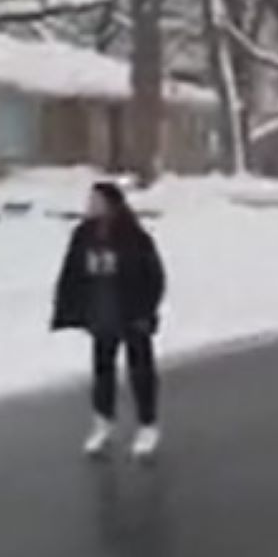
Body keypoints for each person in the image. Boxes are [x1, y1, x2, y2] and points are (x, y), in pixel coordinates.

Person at [52, 181, 166, 459]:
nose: (90, 205)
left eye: (96, 201)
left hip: (132, 312)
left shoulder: (133, 236)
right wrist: (69, 307)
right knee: (103, 370)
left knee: (140, 370)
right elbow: (71, 272)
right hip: (101, 313)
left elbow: (154, 275)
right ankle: (103, 421)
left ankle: (147, 424)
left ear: (111, 204)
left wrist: (146, 310)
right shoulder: (83, 234)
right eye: (90, 200)